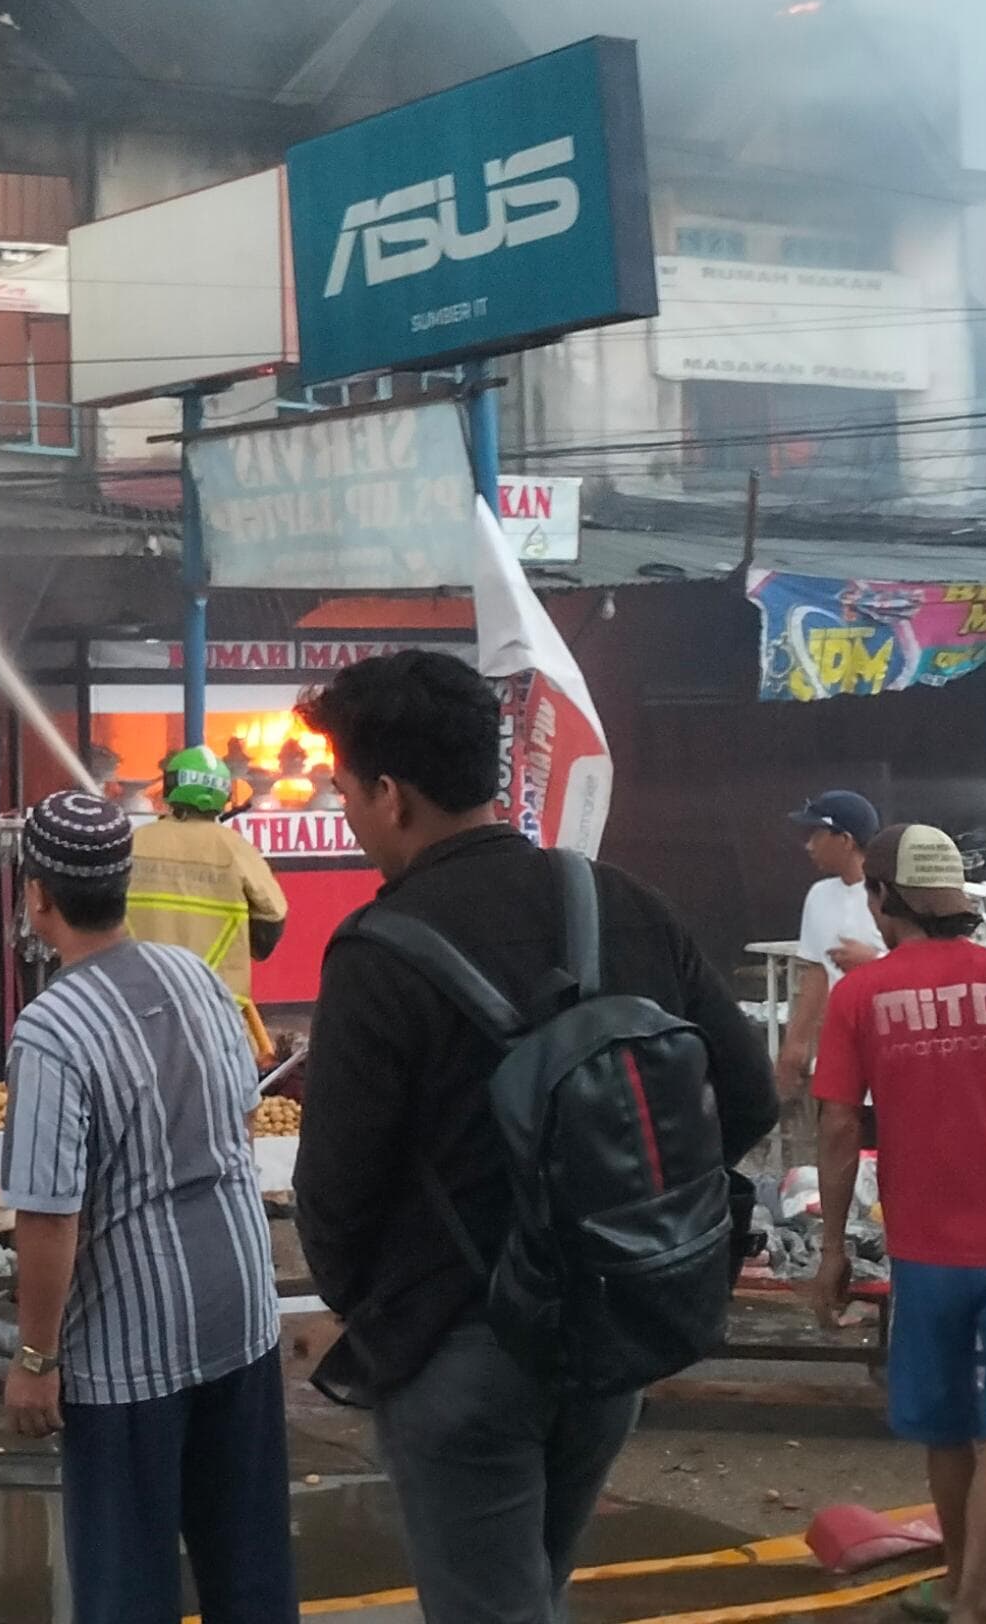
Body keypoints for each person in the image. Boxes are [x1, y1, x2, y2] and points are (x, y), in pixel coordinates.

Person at [292, 649, 775, 1624]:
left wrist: (376, 1307)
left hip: (459, 1348)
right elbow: (750, 1099)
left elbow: (334, 1197)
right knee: (529, 1592)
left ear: (391, 794)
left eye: (345, 792)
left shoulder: (378, 952)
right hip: (610, 1324)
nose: (345, 815)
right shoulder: (621, 902)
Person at [0, 791, 294, 1624]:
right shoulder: (196, 978)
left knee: (127, 1588)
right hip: (241, 1316)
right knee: (251, 1571)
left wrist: (34, 1359)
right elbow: (236, 1121)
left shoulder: (52, 1031)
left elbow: (51, 1214)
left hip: (133, 1355)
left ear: (39, 895)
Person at [812, 824, 986, 1624]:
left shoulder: (859, 996)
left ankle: (954, 1586)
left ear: (883, 901)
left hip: (922, 1249)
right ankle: (976, 1599)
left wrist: (833, 1249)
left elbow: (837, 1131)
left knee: (947, 1427)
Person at [125, 744, 290, 1011]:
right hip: (216, 1008)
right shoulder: (235, 849)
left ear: (169, 789)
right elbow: (273, 916)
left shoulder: (135, 843)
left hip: (140, 1006)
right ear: (223, 794)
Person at [777, 789, 885, 1095]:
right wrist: (795, 1043)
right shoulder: (819, 896)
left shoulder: (890, 893)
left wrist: (874, 962)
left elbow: (924, 963)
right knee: (837, 1132)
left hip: (891, 1044)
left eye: (817, 834)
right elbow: (817, 971)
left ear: (845, 841)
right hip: (840, 1046)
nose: (809, 845)